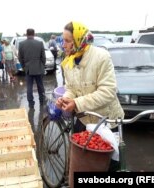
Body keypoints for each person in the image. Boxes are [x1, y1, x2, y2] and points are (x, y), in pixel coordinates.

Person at [56, 21, 124, 171]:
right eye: (63, 40)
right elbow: (70, 88)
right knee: (85, 164)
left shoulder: (101, 57)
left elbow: (107, 92)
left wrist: (77, 103)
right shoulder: (68, 61)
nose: (63, 45)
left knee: (110, 166)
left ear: (79, 41)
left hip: (107, 121)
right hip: (84, 120)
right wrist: (67, 98)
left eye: (67, 41)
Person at [18, 28, 46, 108]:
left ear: (26, 34)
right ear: (34, 34)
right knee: (40, 86)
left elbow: (20, 58)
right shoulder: (40, 43)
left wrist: (24, 67)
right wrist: (42, 66)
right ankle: (42, 101)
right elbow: (43, 57)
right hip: (38, 68)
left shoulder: (21, 44)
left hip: (28, 69)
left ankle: (31, 103)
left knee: (29, 87)